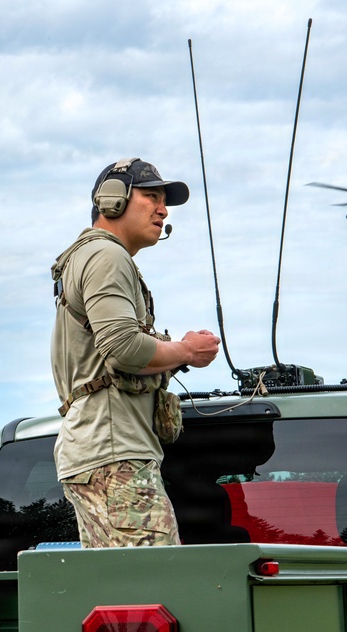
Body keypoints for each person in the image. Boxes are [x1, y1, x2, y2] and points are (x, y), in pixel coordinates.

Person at [50, 158, 221, 548]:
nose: (163, 209)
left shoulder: (93, 257)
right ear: (112, 201)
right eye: (152, 196)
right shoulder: (106, 257)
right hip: (115, 454)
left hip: (101, 449)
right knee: (155, 587)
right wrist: (186, 351)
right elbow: (124, 348)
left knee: (122, 596)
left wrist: (176, 349)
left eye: (165, 201)